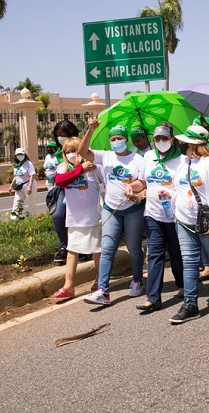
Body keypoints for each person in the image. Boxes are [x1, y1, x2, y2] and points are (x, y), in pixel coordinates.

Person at [168, 124, 209, 324]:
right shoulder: (183, 163)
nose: (182, 145)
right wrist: (169, 195)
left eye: (185, 142)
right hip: (184, 221)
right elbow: (179, 188)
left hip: (208, 221)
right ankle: (190, 304)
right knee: (189, 261)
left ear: (194, 144)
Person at [80, 121, 146, 306]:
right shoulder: (105, 156)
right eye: (113, 139)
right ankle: (103, 291)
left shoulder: (138, 159)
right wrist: (90, 130)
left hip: (133, 209)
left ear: (127, 140)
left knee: (133, 247)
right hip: (111, 209)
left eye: (120, 138)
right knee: (107, 248)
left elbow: (143, 182)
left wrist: (132, 187)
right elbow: (83, 152)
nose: (116, 141)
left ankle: (137, 280)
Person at [126, 123, 185, 311]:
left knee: (176, 253)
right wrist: (132, 188)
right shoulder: (149, 157)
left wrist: (171, 194)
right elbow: (142, 182)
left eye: (164, 138)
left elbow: (184, 187)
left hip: (175, 215)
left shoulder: (182, 160)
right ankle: (153, 298)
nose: (161, 142)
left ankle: (183, 285)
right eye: (157, 139)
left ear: (172, 139)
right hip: (152, 214)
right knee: (155, 255)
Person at [50, 137, 102, 300]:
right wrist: (80, 169)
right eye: (67, 152)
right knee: (72, 250)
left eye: (74, 150)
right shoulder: (64, 168)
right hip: (74, 218)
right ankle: (68, 286)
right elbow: (60, 181)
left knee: (97, 250)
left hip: (93, 215)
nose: (71, 154)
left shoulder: (93, 167)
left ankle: (100, 279)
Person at [49, 120, 80, 265]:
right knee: (58, 215)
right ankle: (64, 246)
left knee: (77, 218)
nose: (60, 137)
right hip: (62, 188)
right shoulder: (56, 152)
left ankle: (81, 249)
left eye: (64, 134)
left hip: (79, 187)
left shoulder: (79, 147)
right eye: (58, 135)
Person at [8, 148, 37, 219]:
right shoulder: (16, 165)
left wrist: (29, 186)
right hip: (19, 187)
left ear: (24, 155)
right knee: (16, 204)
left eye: (21, 154)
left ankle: (34, 219)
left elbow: (32, 175)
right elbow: (16, 176)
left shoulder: (28, 163)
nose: (19, 156)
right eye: (18, 154)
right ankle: (14, 219)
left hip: (28, 186)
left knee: (31, 204)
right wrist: (11, 186)